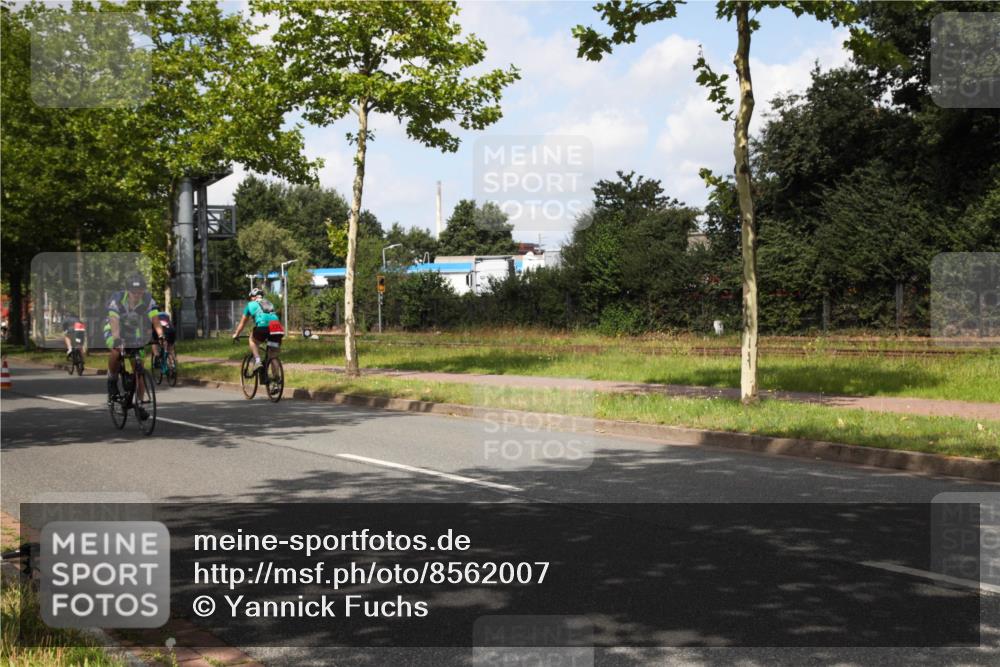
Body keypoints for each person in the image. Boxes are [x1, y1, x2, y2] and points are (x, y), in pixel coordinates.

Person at [103, 273, 164, 418]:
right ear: (127, 290)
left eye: (140, 291)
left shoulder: (148, 300)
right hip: (114, 329)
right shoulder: (117, 299)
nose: (137, 295)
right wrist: (117, 339)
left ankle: (140, 404)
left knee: (139, 369)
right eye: (134, 292)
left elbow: (155, 319)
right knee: (117, 350)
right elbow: (114, 320)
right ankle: (112, 379)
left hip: (134, 331)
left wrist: (161, 335)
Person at [232, 288, 279, 371]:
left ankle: (257, 361)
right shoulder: (269, 303)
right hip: (277, 329)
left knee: (252, 340)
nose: (250, 299)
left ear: (254, 297)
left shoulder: (250, 305)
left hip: (262, 327)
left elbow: (242, 323)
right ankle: (277, 378)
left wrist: (236, 334)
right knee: (273, 356)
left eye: (251, 297)